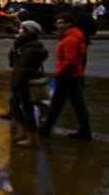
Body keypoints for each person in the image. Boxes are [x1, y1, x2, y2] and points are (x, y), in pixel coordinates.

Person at [38, 12, 92, 141]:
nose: (57, 25)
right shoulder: (74, 37)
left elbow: (70, 60)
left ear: (68, 24)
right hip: (74, 75)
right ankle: (85, 130)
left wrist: (60, 72)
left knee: (57, 103)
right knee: (77, 104)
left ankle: (46, 128)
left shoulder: (70, 40)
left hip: (67, 76)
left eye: (60, 22)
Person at [8, 20, 49, 149]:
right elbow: (12, 62)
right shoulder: (21, 45)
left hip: (25, 82)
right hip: (21, 81)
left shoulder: (30, 48)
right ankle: (24, 131)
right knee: (14, 104)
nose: (19, 30)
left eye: (22, 29)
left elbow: (22, 67)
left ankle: (32, 138)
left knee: (27, 109)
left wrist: (16, 83)